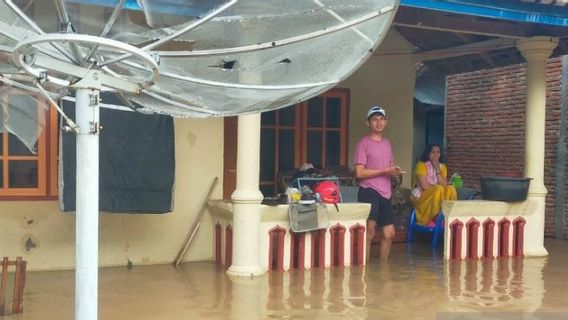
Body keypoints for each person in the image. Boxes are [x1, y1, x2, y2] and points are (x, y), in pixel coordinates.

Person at [354, 105, 405, 261]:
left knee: (389, 233)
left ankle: (383, 271)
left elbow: (388, 166)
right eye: (374, 119)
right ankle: (364, 271)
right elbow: (359, 173)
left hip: (385, 192)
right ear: (368, 123)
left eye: (381, 119)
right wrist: (385, 171)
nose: (378, 122)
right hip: (368, 191)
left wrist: (394, 172)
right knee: (369, 233)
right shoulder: (363, 143)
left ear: (386, 122)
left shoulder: (387, 144)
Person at [412, 144, 457, 226]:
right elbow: (424, 186)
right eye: (433, 152)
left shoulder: (442, 167)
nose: (436, 155)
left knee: (451, 188)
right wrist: (439, 189)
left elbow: (445, 185)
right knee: (438, 188)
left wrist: (437, 169)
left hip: (438, 193)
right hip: (421, 194)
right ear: (427, 153)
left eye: (438, 152)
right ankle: (434, 218)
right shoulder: (421, 165)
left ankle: (449, 216)